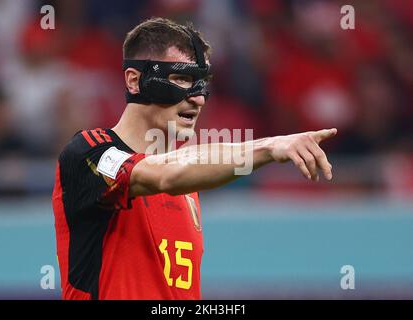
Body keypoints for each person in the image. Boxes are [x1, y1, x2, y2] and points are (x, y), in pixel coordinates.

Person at [52, 17, 337, 300]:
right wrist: (268, 148)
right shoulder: (89, 153)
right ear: (135, 80)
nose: (198, 98)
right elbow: (163, 175)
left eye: (201, 83)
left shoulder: (188, 189)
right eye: (182, 79)